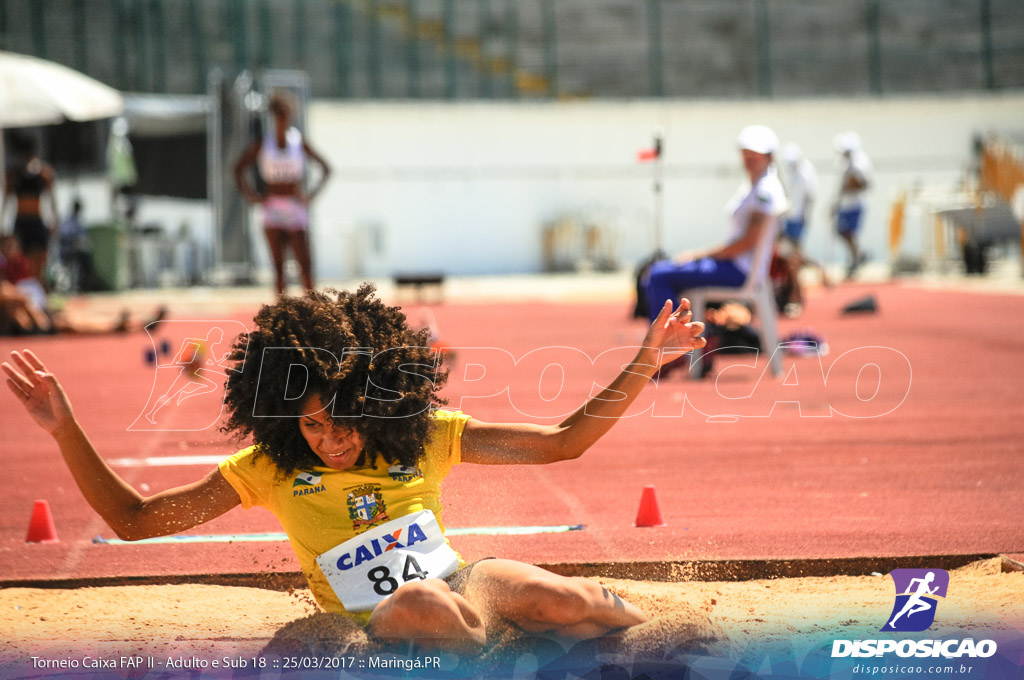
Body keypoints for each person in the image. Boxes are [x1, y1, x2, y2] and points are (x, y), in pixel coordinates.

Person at [3, 284, 705, 652]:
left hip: (465, 580)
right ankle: (499, 652)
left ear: (374, 403)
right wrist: (64, 428)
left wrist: (646, 360)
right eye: (309, 425)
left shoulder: (422, 437)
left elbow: (562, 442)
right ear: (283, 421)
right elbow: (134, 521)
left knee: (571, 601)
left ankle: (654, 647)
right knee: (426, 607)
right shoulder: (269, 469)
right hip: (374, 618)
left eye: (343, 423)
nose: (330, 441)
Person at [643, 124, 788, 324]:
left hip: (740, 270)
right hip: (735, 266)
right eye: (746, 154)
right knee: (661, 271)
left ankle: (671, 350)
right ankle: (690, 345)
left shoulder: (765, 189)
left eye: (756, 154)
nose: (749, 159)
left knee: (659, 275)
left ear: (769, 156)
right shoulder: (756, 186)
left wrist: (699, 255)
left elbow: (748, 241)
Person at [234, 90, 332, 296]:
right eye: (278, 114)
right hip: (272, 209)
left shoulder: (297, 142)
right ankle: (281, 319)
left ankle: (314, 314)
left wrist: (310, 195)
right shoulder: (263, 143)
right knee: (279, 268)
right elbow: (238, 169)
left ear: (290, 116)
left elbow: (325, 168)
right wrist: (252, 195)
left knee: (305, 265)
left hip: (294, 208)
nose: (282, 119)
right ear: (273, 116)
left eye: (286, 114)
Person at [777, 143, 829, 317]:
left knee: (793, 258)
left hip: (798, 220)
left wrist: (804, 220)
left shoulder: (806, 172)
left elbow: (810, 197)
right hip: (789, 218)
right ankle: (819, 269)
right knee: (793, 256)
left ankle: (796, 296)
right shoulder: (791, 172)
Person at [1, 133, 59, 286]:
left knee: (39, 263)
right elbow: (6, 200)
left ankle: (39, 296)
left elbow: (51, 199)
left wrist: (55, 221)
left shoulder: (43, 173)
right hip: (23, 221)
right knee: (23, 263)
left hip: (33, 220)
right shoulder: (15, 174)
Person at [832, 131, 873, 280]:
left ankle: (856, 259)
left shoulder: (860, 163)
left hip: (856, 203)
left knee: (849, 232)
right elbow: (841, 186)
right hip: (845, 204)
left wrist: (851, 188)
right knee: (842, 231)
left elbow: (866, 184)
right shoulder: (843, 163)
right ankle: (858, 255)